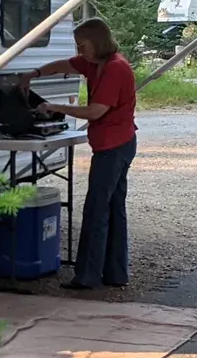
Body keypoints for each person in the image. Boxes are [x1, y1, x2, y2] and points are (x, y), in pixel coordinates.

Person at [29, 17, 138, 290]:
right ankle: (114, 273)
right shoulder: (94, 63)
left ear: (98, 42)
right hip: (115, 143)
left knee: (97, 210)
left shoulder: (115, 69)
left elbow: (95, 111)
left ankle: (87, 275)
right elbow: (65, 65)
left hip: (114, 146)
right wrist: (34, 74)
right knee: (113, 208)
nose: (80, 52)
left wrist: (54, 107)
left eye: (83, 45)